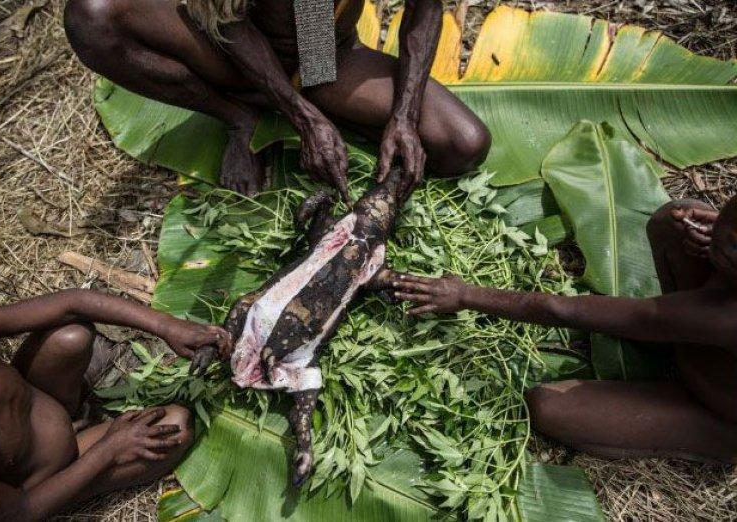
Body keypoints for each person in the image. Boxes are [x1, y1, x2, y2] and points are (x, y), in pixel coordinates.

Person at [388, 197, 737, 464]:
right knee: (678, 217)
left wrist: (464, 294)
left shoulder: (723, 317)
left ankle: (712, 440)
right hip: (698, 331)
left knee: (547, 407)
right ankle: (673, 338)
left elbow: (562, 310)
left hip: (718, 412)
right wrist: (718, 230)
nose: (729, 244)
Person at [63, 0, 491, 200]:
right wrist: (303, 119)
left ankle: (321, 108)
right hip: (225, 40)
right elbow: (229, 22)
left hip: (323, 49)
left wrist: (404, 115)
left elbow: (425, 8)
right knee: (93, 15)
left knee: (463, 143)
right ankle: (239, 116)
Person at [0, 290, 231, 520]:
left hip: (47, 401)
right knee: (175, 429)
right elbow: (14, 513)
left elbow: (73, 303)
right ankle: (78, 490)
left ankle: (78, 408)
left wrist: (167, 326)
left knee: (70, 336)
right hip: (38, 484)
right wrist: (107, 452)